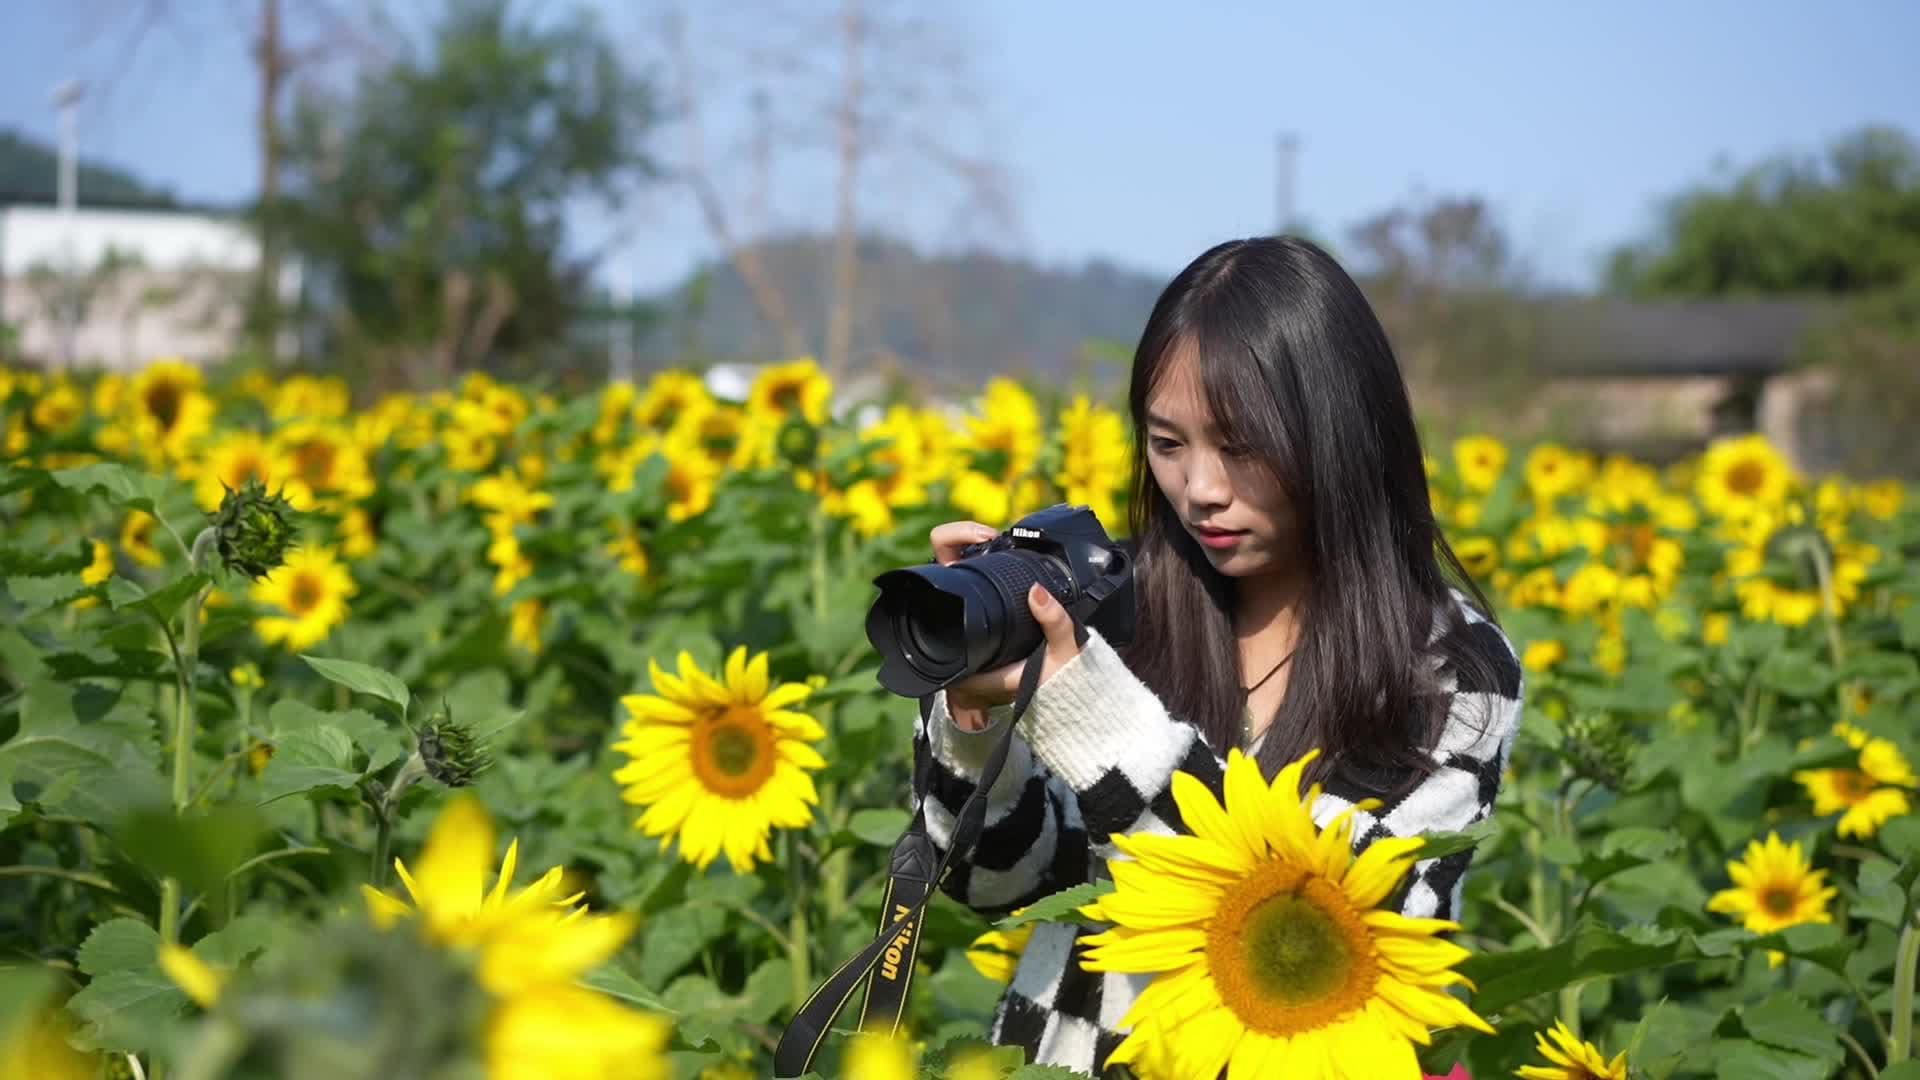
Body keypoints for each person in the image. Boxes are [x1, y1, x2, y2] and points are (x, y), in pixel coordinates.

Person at [907, 235, 1525, 1076]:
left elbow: (1324, 927)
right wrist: (977, 722)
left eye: (1240, 446)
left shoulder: (1452, 672)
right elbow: (1002, 884)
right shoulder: (1119, 611)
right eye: (1168, 444)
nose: (1200, 488)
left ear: (1338, 433)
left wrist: (1091, 716)